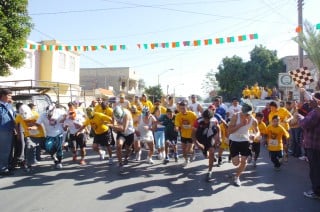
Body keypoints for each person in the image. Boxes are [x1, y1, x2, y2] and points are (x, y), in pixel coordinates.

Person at [228, 101, 259, 186]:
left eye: (248, 114)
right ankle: (233, 156)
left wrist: (255, 135)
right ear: (241, 111)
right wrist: (241, 124)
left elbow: (257, 131)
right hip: (234, 140)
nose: (247, 115)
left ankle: (237, 177)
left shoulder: (253, 120)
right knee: (236, 163)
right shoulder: (235, 116)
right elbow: (229, 131)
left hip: (245, 140)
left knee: (244, 161)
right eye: (245, 113)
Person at [297, 92, 320, 199]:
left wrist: (300, 117)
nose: (309, 100)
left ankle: (317, 192)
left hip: (314, 146)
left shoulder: (316, 112)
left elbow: (305, 124)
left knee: (315, 169)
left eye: (311, 99)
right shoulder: (315, 111)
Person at [31, 104, 66, 169]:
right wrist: (33, 127)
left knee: (59, 148)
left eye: (50, 116)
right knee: (48, 148)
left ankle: (59, 162)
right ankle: (54, 157)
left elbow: (67, 115)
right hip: (49, 134)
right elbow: (37, 124)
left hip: (59, 133)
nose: (49, 118)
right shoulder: (43, 115)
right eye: (48, 117)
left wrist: (64, 119)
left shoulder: (59, 112)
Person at [193, 109, 221, 182]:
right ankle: (206, 153)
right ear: (203, 117)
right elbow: (192, 135)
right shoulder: (198, 121)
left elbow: (218, 128)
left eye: (208, 119)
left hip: (209, 136)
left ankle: (209, 171)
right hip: (200, 137)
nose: (206, 121)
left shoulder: (214, 120)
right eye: (205, 119)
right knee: (206, 155)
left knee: (211, 151)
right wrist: (197, 144)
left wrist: (219, 137)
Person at [110, 106, 135, 173]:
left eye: (120, 117)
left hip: (129, 132)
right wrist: (115, 126)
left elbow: (124, 129)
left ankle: (126, 157)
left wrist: (113, 126)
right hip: (121, 133)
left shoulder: (126, 114)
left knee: (128, 149)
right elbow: (115, 127)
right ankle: (120, 163)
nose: (118, 118)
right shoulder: (113, 113)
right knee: (118, 146)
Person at [175, 101, 197, 166]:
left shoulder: (192, 114)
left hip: (191, 135)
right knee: (184, 150)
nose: (182, 110)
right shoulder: (178, 115)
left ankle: (193, 152)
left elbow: (197, 122)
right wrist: (176, 128)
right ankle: (186, 160)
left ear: (186, 107)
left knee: (189, 150)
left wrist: (194, 128)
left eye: (183, 108)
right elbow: (177, 124)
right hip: (183, 134)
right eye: (181, 108)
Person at [0, 88, 16, 176]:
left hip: (9, 130)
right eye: (9, 95)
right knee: (3, 151)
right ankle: (2, 169)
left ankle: (7, 166)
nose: (11, 97)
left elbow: (13, 117)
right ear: (3, 96)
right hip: (2, 131)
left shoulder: (9, 105)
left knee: (9, 151)